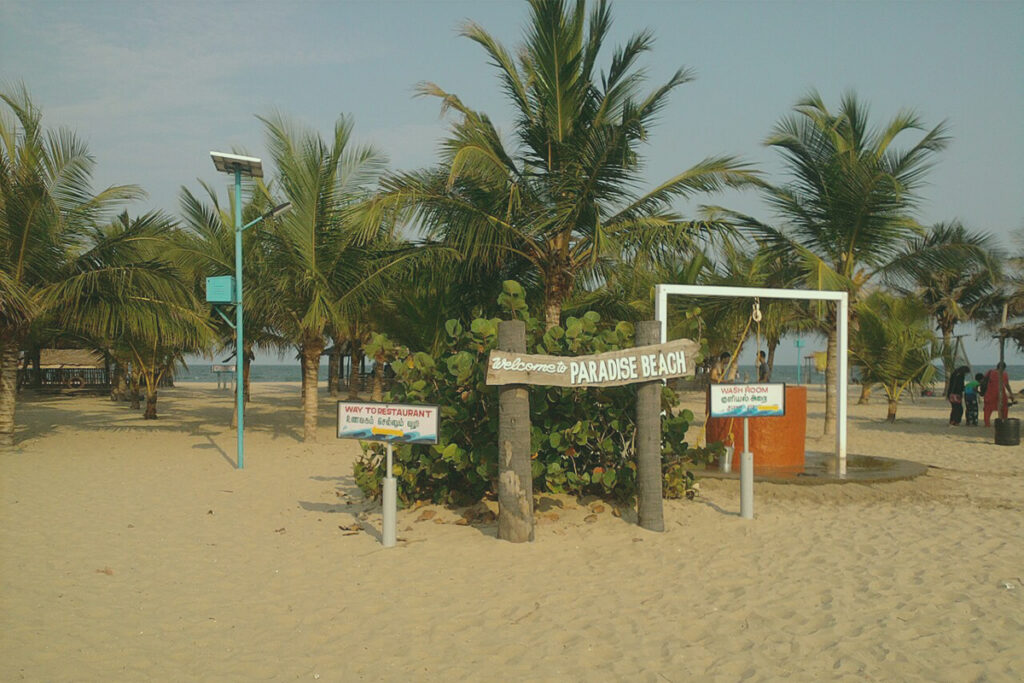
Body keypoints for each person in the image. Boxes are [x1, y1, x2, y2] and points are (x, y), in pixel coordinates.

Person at [983, 361, 1015, 427]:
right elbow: (1006, 385)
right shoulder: (1004, 374)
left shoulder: (990, 372)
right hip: (1000, 393)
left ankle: (987, 424)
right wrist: (1011, 393)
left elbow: (984, 381)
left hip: (989, 392)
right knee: (1004, 407)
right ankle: (1003, 422)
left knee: (988, 409)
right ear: (1004, 368)